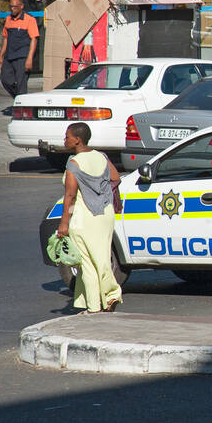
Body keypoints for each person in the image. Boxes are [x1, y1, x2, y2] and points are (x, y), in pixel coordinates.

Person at [55, 122, 123, 314]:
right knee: (101, 258)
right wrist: (100, 194)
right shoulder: (101, 156)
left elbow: (70, 196)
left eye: (67, 136)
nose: (65, 139)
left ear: (77, 140)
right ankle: (104, 299)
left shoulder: (74, 163)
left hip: (84, 218)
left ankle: (101, 302)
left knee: (88, 264)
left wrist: (64, 223)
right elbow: (115, 177)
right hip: (105, 214)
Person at [0, 0, 39, 97]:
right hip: (9, 56)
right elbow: (6, 39)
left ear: (21, 6)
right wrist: (1, 55)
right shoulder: (8, 19)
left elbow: (34, 39)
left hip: (22, 57)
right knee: (5, 80)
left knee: (21, 84)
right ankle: (19, 98)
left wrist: (29, 59)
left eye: (15, 7)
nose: (12, 9)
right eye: (11, 6)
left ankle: (21, 105)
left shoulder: (30, 20)